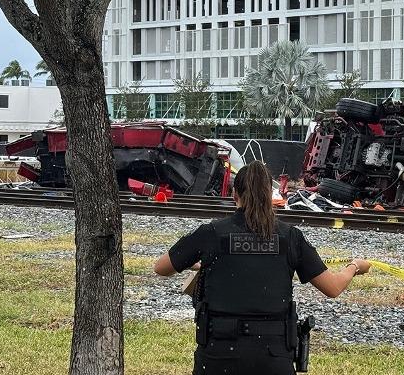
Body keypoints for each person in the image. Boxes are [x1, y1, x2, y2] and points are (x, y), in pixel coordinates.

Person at [154, 160, 371, 375]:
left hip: (218, 354)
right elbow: (332, 287)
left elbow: (161, 267)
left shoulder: (211, 233)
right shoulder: (290, 237)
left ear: (234, 195)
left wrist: (198, 262)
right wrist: (354, 266)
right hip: (273, 357)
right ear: (270, 195)